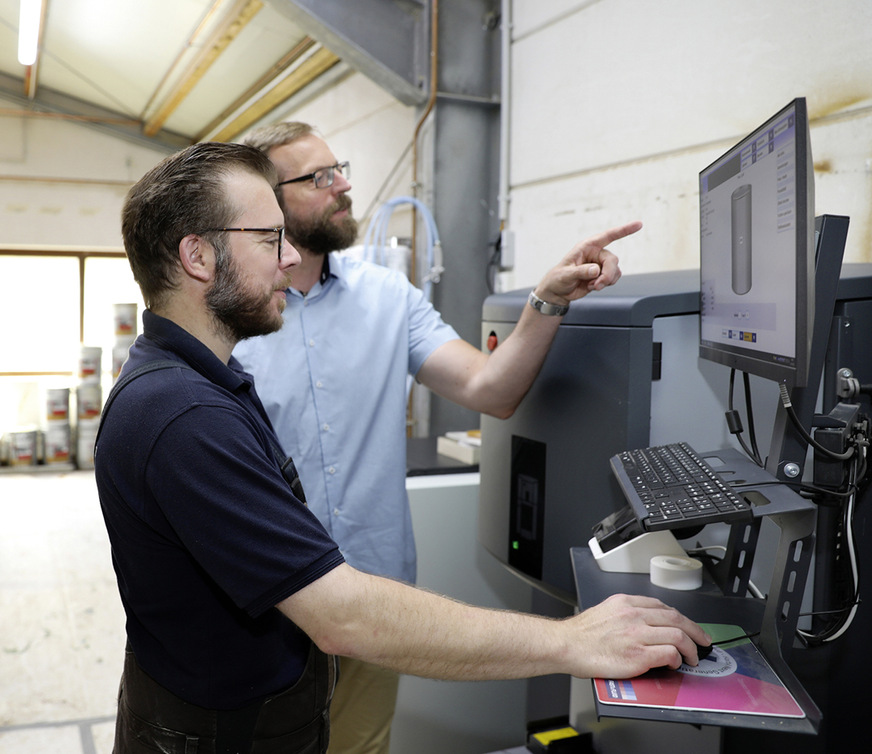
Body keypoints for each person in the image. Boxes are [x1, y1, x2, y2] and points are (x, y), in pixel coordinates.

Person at [95, 141, 710, 754]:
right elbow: (343, 615)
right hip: (238, 709)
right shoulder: (185, 414)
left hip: (288, 672)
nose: (286, 258)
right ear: (197, 255)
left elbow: (487, 387)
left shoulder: (204, 379)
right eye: (267, 238)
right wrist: (574, 640)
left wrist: (545, 299)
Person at [232, 122, 639, 753]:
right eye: (318, 178)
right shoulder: (238, 313)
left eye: (339, 168)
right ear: (268, 202)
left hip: (374, 597)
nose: (342, 186)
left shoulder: (386, 296)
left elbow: (490, 389)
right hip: (267, 610)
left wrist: (547, 298)